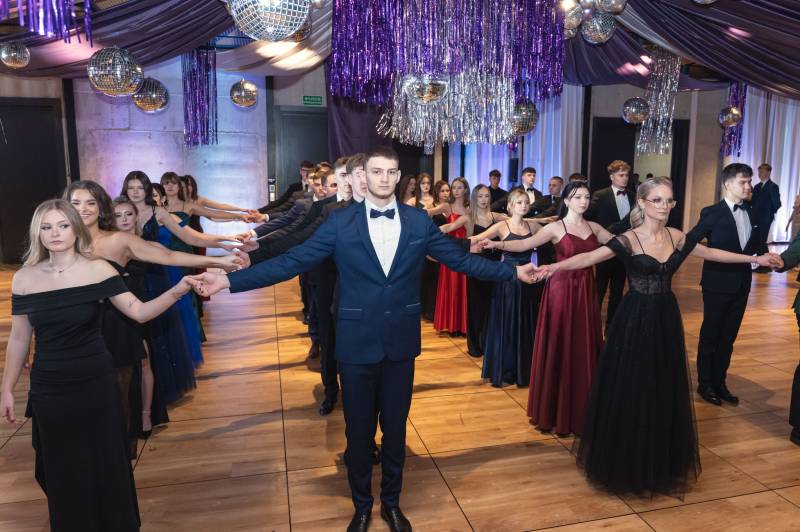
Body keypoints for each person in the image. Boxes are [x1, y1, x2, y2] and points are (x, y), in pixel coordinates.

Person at [186, 146, 537, 532]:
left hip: (400, 344)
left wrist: (512, 273)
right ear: (364, 177)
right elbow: (292, 261)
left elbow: (461, 261)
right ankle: (362, 506)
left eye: (391, 172)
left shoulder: (418, 222)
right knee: (357, 433)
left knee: (396, 431)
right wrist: (228, 281)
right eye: (376, 171)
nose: (384, 178)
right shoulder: (340, 222)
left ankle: (392, 503)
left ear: (398, 177)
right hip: (355, 344)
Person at [533, 176, 778, 495]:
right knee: (633, 385)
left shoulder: (676, 236)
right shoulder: (629, 239)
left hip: (665, 317)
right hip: (634, 318)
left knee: (662, 384)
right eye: (658, 200)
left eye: (669, 201)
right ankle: (627, 459)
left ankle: (659, 459)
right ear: (642, 202)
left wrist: (755, 258)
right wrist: (552, 268)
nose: (665, 206)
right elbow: (589, 258)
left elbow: (712, 253)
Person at [1, 199, 197, 532]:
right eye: (47, 227)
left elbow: (139, 312)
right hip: (50, 389)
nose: (55, 233)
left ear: (76, 229)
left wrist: (178, 291)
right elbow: (20, 338)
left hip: (95, 382)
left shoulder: (98, 270)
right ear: (38, 233)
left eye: (63, 225)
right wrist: (6, 388)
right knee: (61, 467)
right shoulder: (25, 278)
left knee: (105, 460)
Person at [483, 180, 610, 435]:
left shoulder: (595, 227)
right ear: (567, 200)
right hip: (561, 290)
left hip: (585, 291)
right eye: (578, 197)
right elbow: (524, 244)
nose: (583, 201)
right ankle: (555, 410)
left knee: (582, 344)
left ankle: (582, 409)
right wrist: (498, 245)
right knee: (560, 343)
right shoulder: (555, 227)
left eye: (586, 197)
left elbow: (617, 243)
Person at [687, 163, 758, 406]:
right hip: (717, 284)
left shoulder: (752, 211)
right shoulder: (712, 212)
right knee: (711, 335)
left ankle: (720, 382)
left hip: (742, 285)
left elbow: (755, 247)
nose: (748, 186)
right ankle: (705, 384)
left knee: (728, 337)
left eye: (749, 181)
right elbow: (690, 241)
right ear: (727, 184)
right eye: (743, 182)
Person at [472, 189, 542, 387]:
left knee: (526, 323)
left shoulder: (533, 225)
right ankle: (506, 369)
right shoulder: (502, 226)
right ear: (510, 206)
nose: (524, 205)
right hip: (507, 281)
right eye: (519, 202)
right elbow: (477, 239)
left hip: (528, 280)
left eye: (526, 202)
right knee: (507, 323)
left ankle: (524, 370)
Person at [585, 160, 635, 330]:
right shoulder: (600, 195)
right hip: (604, 248)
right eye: (621, 175)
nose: (625, 178)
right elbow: (587, 218)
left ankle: (611, 327)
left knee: (618, 290)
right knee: (599, 288)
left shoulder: (633, 196)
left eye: (626, 175)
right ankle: (591, 326)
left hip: (625, 249)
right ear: (612, 177)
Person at [466, 185, 501, 357]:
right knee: (476, 307)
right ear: (474, 198)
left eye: (486, 196)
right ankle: (474, 345)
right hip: (476, 268)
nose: (484, 199)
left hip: (495, 269)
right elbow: (452, 232)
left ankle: (489, 344)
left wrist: (545, 219)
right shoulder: (469, 217)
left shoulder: (497, 217)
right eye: (480, 196)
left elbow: (520, 219)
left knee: (492, 306)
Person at [434, 177, 471, 335]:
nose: (455, 190)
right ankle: (452, 326)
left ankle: (464, 326)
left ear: (465, 189)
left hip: (466, 252)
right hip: (450, 253)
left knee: (463, 288)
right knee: (451, 287)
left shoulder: (470, 209)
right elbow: (428, 212)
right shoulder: (447, 206)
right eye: (453, 187)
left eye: (459, 187)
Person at [751, 163, 781, 270]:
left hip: (765, 219)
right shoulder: (757, 186)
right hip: (755, 218)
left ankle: (764, 266)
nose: (759, 174)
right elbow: (753, 202)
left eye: (762, 172)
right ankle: (765, 264)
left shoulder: (773, 187)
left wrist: (768, 214)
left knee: (761, 241)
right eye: (759, 172)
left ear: (768, 173)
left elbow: (777, 204)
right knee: (758, 241)